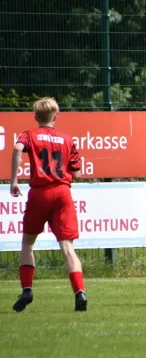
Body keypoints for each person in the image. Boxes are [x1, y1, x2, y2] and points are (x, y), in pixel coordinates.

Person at [10, 97, 87, 312]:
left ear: (35, 116)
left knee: (27, 243)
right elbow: (77, 174)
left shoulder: (29, 135)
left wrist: (14, 180)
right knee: (67, 247)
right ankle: (80, 292)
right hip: (62, 193)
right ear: (56, 116)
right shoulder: (67, 139)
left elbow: (17, 149)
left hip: (40, 192)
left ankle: (27, 290)